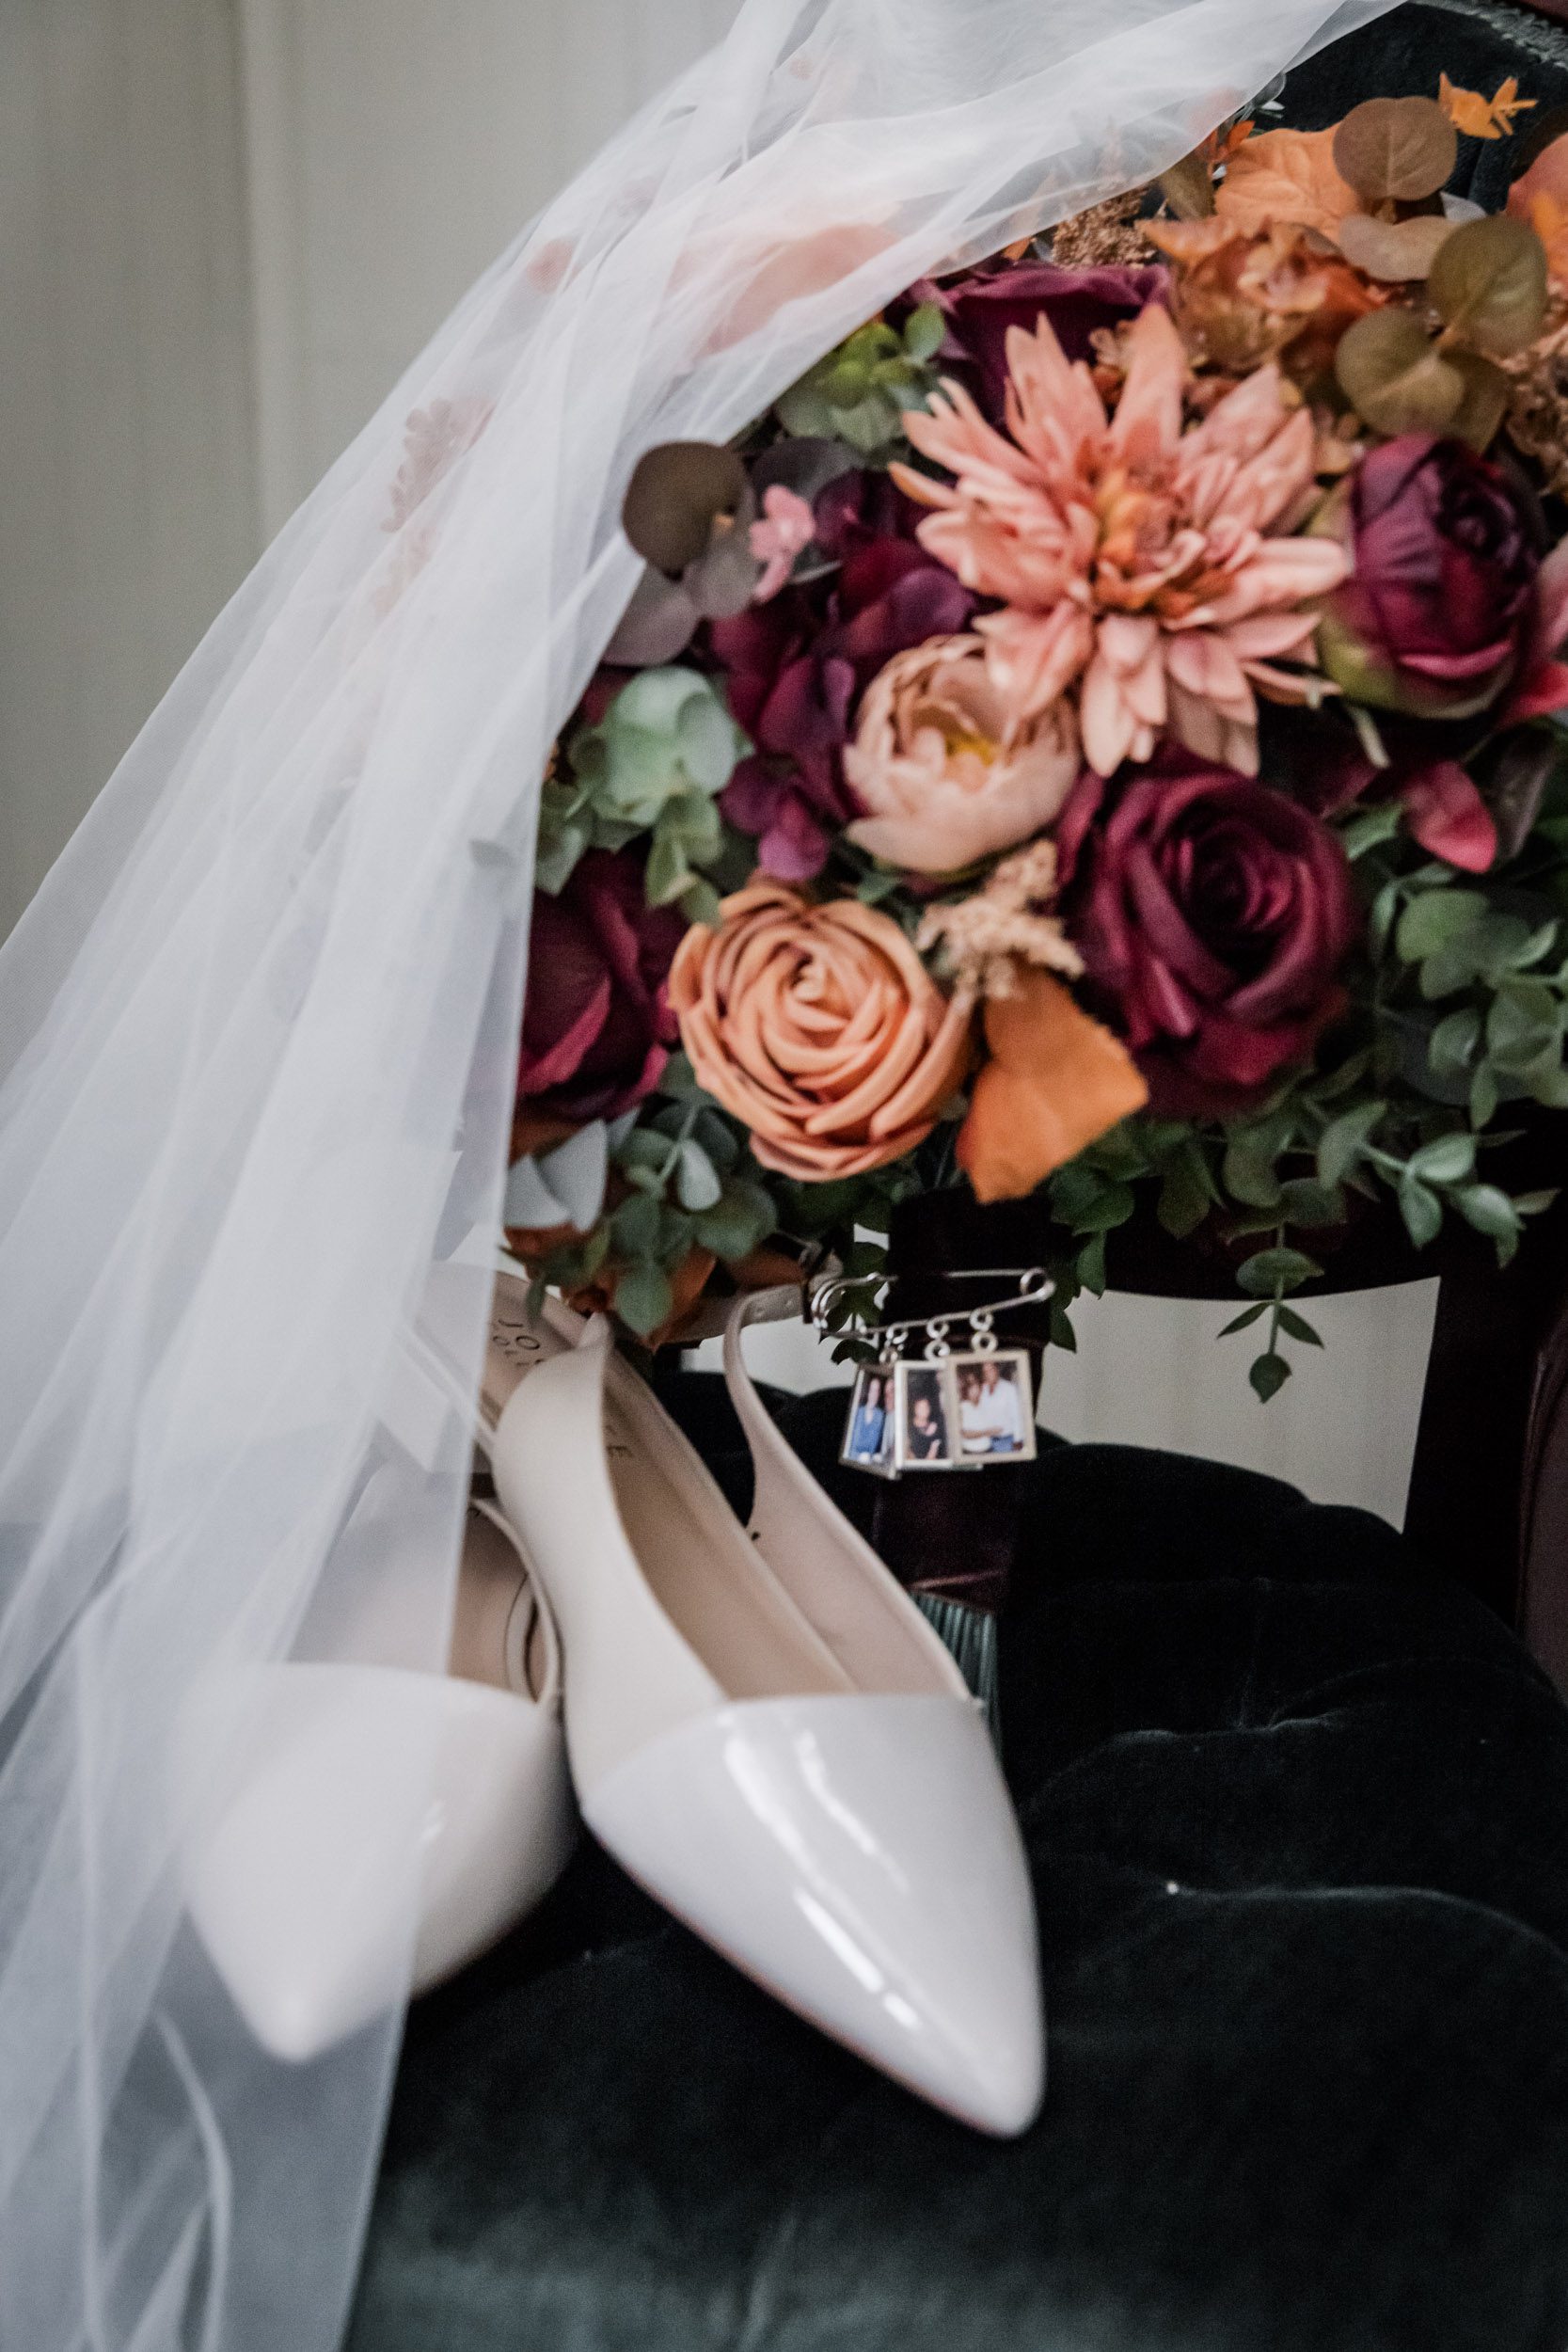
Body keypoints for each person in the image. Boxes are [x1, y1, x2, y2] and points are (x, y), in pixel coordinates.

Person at [978, 1359, 1026, 1454]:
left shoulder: (1009, 1389)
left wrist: (1018, 1439)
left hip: (1005, 1440)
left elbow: (1016, 1415)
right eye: (985, 1371)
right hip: (985, 1440)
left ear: (996, 1370)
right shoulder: (982, 1390)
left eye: (990, 1370)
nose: (988, 1374)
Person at [847, 1372, 889, 1463]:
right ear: (868, 1392)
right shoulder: (857, 1412)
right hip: (852, 1459)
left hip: (868, 1461)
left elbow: (874, 1447)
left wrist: (873, 1456)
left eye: (877, 1391)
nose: (874, 1394)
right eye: (872, 1390)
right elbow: (848, 1446)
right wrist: (858, 1457)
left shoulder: (880, 1415)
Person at [905, 1380, 948, 1464]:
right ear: (915, 1409)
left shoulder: (935, 1427)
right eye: (921, 1407)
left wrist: (932, 1435)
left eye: (926, 1407)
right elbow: (908, 1453)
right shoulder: (908, 1427)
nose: (924, 1410)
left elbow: (932, 1457)